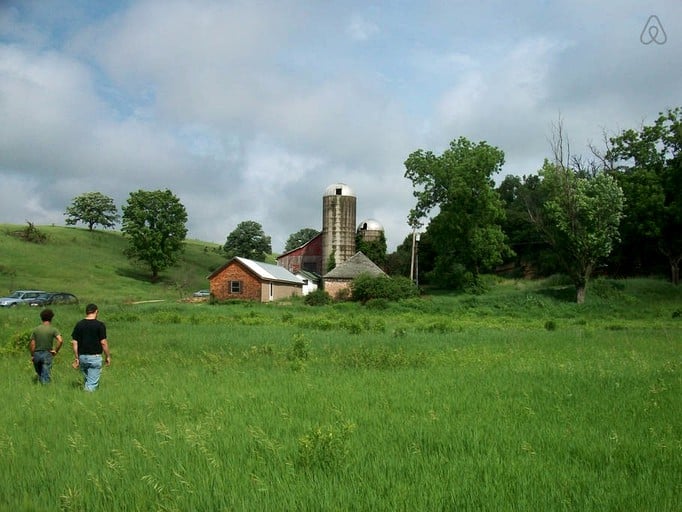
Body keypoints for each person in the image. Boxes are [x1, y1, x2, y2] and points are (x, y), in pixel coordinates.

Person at [71, 303, 111, 391]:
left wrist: (77, 357)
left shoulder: (79, 324)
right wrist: (108, 356)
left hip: (82, 357)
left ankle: (85, 395)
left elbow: (74, 342)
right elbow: (103, 342)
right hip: (95, 357)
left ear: (86, 312)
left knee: (87, 380)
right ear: (96, 311)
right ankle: (87, 400)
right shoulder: (100, 325)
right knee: (91, 384)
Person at [29, 308, 63, 384]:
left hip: (37, 354)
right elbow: (60, 340)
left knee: (40, 373)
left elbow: (32, 344)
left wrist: (32, 354)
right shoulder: (53, 329)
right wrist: (55, 350)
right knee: (46, 374)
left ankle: (40, 387)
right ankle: (45, 389)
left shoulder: (36, 329)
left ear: (41, 318)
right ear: (51, 318)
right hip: (47, 353)